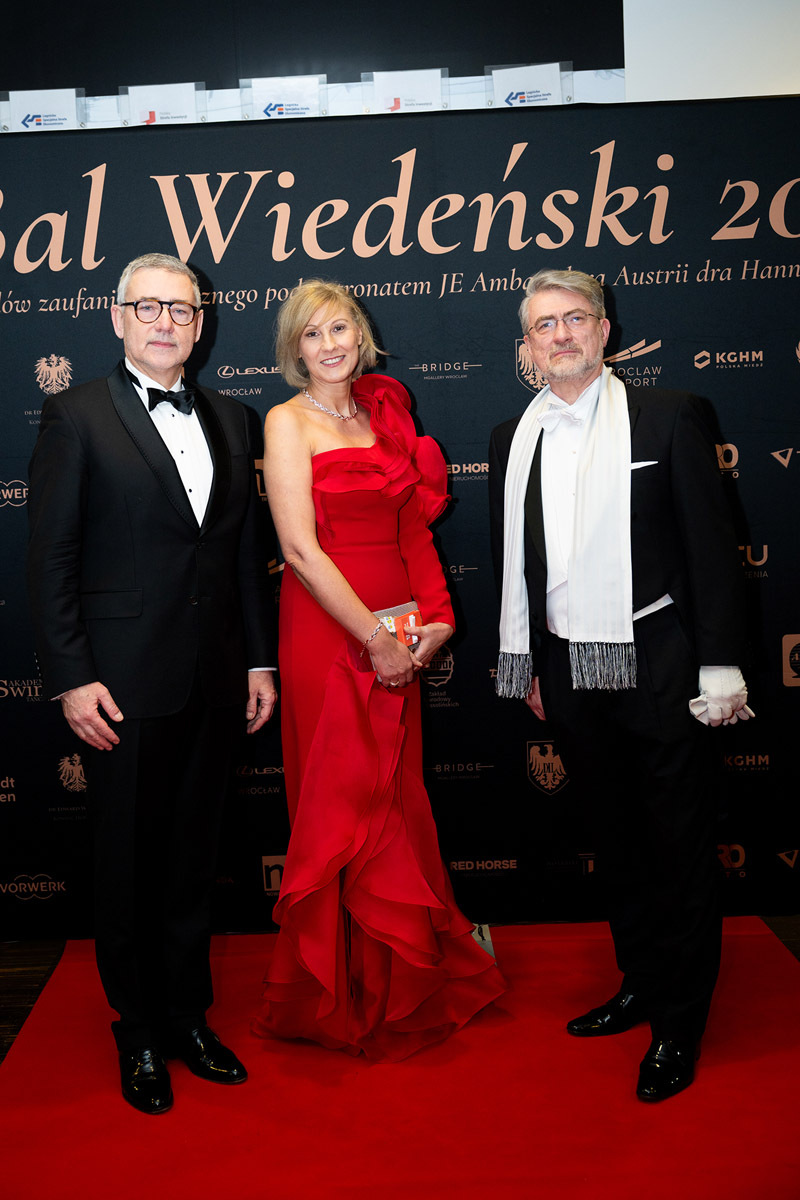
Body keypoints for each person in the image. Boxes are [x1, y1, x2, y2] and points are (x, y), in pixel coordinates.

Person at [489, 268, 751, 1102]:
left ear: (605, 331)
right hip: (569, 669)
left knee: (679, 847)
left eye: (575, 318)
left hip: (661, 661)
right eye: (543, 325)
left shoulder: (669, 415)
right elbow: (517, 563)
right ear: (527, 347)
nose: (560, 334)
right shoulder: (512, 437)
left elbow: (713, 549)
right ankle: (640, 981)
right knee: (618, 840)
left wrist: (720, 662)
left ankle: (681, 1021)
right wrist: (530, 659)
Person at [27, 253, 277, 1114]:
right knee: (128, 861)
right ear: (118, 317)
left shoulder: (234, 418)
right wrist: (72, 678)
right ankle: (136, 1030)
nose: (166, 321)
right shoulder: (75, 415)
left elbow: (241, 554)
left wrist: (257, 660)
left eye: (181, 308)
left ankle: (188, 1017)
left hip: (215, 678)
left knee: (192, 860)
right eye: (149, 307)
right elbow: (51, 560)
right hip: (121, 686)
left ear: (201, 325)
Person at [253, 280, 505, 1060]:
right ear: (294, 350)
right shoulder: (286, 421)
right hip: (330, 634)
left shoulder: (385, 415)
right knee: (340, 802)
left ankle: (403, 978)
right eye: (312, 334)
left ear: (360, 336)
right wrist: (373, 639)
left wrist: (438, 618)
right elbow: (299, 551)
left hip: (399, 629)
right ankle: (338, 991)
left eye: (340, 329)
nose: (330, 345)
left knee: (395, 799)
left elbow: (412, 530)